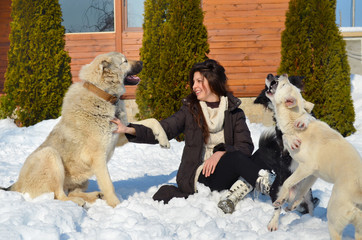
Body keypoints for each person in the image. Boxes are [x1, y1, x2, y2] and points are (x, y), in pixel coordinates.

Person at [112, 59, 275, 214]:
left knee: (266, 151)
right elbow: (164, 129)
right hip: (202, 176)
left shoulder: (234, 112)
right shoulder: (190, 111)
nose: (194, 86)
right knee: (236, 159)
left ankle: (235, 194)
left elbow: (245, 146)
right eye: (194, 82)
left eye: (199, 81)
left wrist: (221, 153)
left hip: (228, 170)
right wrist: (130, 130)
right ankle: (274, 188)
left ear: (212, 81)